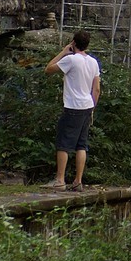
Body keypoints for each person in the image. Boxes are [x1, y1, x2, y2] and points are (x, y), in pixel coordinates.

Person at [44, 31, 101, 190]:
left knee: (63, 143)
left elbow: (48, 69)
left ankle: (60, 180)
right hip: (87, 106)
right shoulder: (93, 62)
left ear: (73, 43)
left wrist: (63, 52)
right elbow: (96, 89)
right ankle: (78, 181)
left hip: (72, 106)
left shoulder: (70, 60)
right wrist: (92, 108)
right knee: (81, 145)